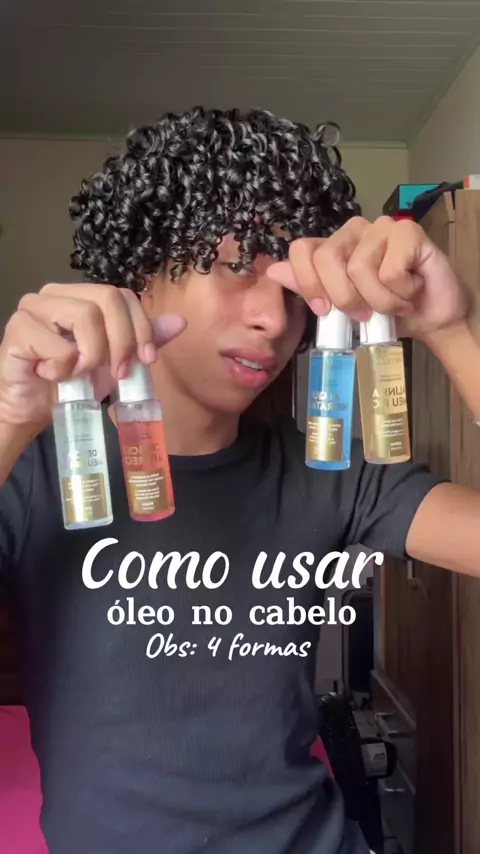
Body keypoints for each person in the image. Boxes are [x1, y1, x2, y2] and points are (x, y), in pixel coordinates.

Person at [0, 106, 479, 854]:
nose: (273, 321)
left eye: (293, 293)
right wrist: (7, 419)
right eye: (235, 267)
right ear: (144, 271)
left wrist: (455, 332)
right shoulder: (34, 468)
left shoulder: (331, 471)